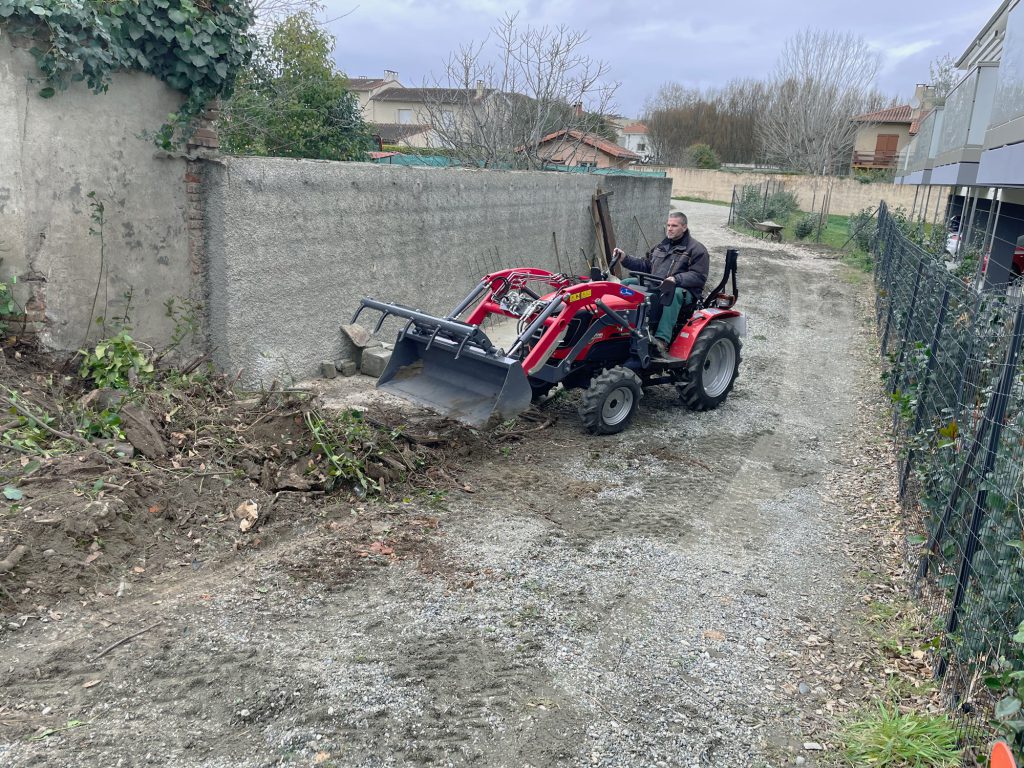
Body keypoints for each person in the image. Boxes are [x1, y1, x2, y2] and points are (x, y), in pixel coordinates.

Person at [612, 211, 709, 356]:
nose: (669, 228)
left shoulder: (697, 250)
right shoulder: (661, 246)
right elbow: (645, 265)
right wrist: (624, 258)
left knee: (672, 293)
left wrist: (677, 279)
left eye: (674, 226)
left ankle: (662, 340)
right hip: (656, 283)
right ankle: (620, 326)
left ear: (684, 227)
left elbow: (699, 276)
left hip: (682, 290)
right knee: (626, 283)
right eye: (668, 225)